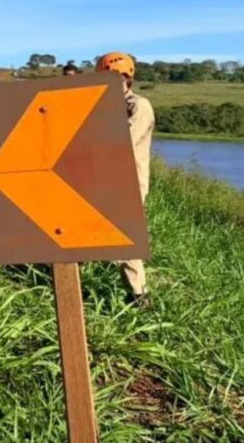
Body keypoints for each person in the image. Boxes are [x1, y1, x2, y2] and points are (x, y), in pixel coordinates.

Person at [96, 51, 155, 305]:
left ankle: (139, 296)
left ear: (127, 78)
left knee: (124, 240)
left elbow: (121, 145)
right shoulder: (102, 107)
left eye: (117, 77)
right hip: (102, 179)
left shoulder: (138, 106)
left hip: (129, 182)